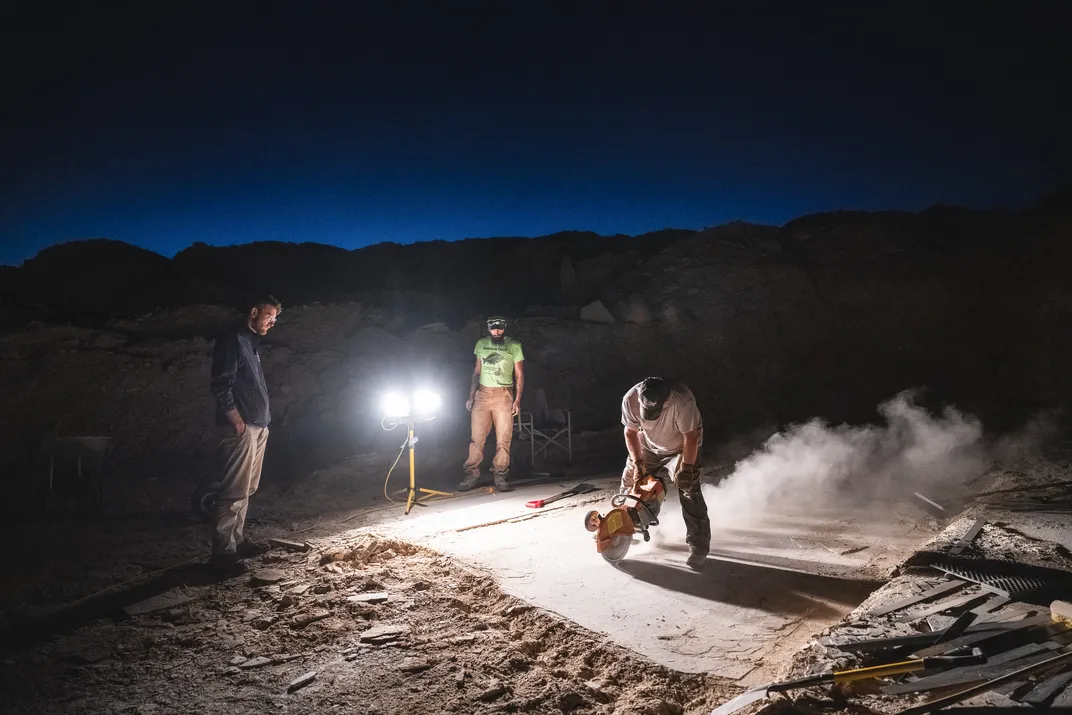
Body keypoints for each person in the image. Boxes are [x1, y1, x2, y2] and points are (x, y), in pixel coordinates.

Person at [207, 296, 282, 575]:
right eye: (269, 316)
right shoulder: (233, 339)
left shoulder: (251, 342)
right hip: (243, 426)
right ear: (253, 311)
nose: (272, 322)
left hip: (258, 425)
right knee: (234, 491)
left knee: (247, 488)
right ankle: (222, 553)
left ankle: (236, 541)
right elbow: (220, 384)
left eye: (275, 318)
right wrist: (236, 421)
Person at [621, 376, 711, 570]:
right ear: (639, 397)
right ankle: (623, 529)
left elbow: (691, 436)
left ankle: (698, 547)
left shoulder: (682, 400)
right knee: (631, 484)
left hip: (682, 447)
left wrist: (687, 469)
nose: (648, 415)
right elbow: (630, 432)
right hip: (648, 446)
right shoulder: (630, 399)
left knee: (689, 490)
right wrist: (637, 463)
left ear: (666, 400)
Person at [460, 316, 525, 492]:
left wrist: (517, 400)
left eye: (500, 328)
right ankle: (471, 475)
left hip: (503, 394)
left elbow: (519, 374)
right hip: (483, 393)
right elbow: (476, 371)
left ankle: (500, 475)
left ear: (504, 328)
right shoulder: (481, 344)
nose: (497, 332)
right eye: (493, 329)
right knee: (476, 438)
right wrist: (471, 396)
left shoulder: (514, 345)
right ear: (488, 329)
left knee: (503, 439)